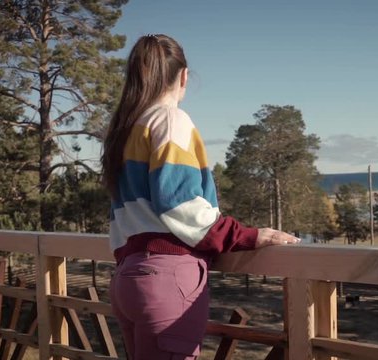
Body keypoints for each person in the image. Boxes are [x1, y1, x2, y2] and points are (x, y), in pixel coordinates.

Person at [101, 34, 299, 360]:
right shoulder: (170, 120)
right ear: (183, 76)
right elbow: (179, 203)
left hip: (128, 278)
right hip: (166, 280)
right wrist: (247, 236)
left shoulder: (125, 130)